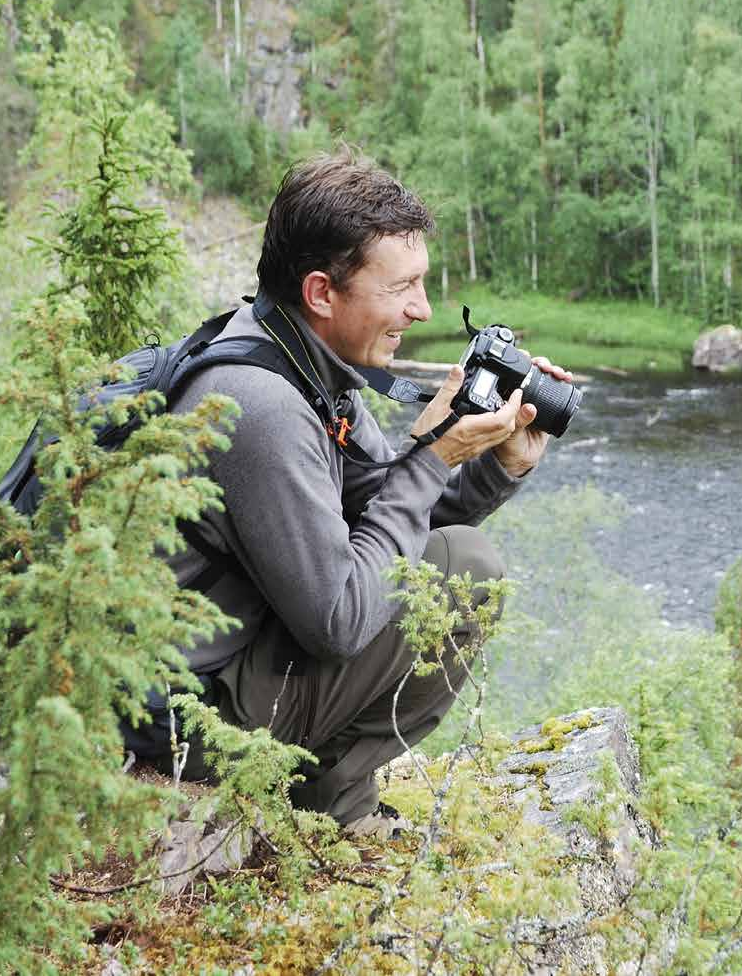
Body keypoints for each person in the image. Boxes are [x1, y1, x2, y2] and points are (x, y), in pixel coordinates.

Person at [143, 148, 568, 836]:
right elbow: (340, 620)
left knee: (445, 555)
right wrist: (434, 456)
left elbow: (385, 517)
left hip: (219, 664)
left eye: (423, 284)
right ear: (321, 292)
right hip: (178, 722)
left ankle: (328, 796)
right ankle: (334, 807)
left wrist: (496, 466)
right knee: (468, 573)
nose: (421, 309)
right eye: (401, 288)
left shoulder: (301, 360)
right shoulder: (262, 405)